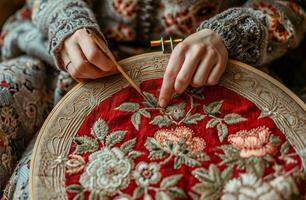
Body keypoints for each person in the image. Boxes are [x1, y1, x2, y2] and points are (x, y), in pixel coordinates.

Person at [0, 0, 305, 199]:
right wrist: (65, 23)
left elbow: (291, 9)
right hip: (73, 58)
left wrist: (229, 34)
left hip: (210, 68)